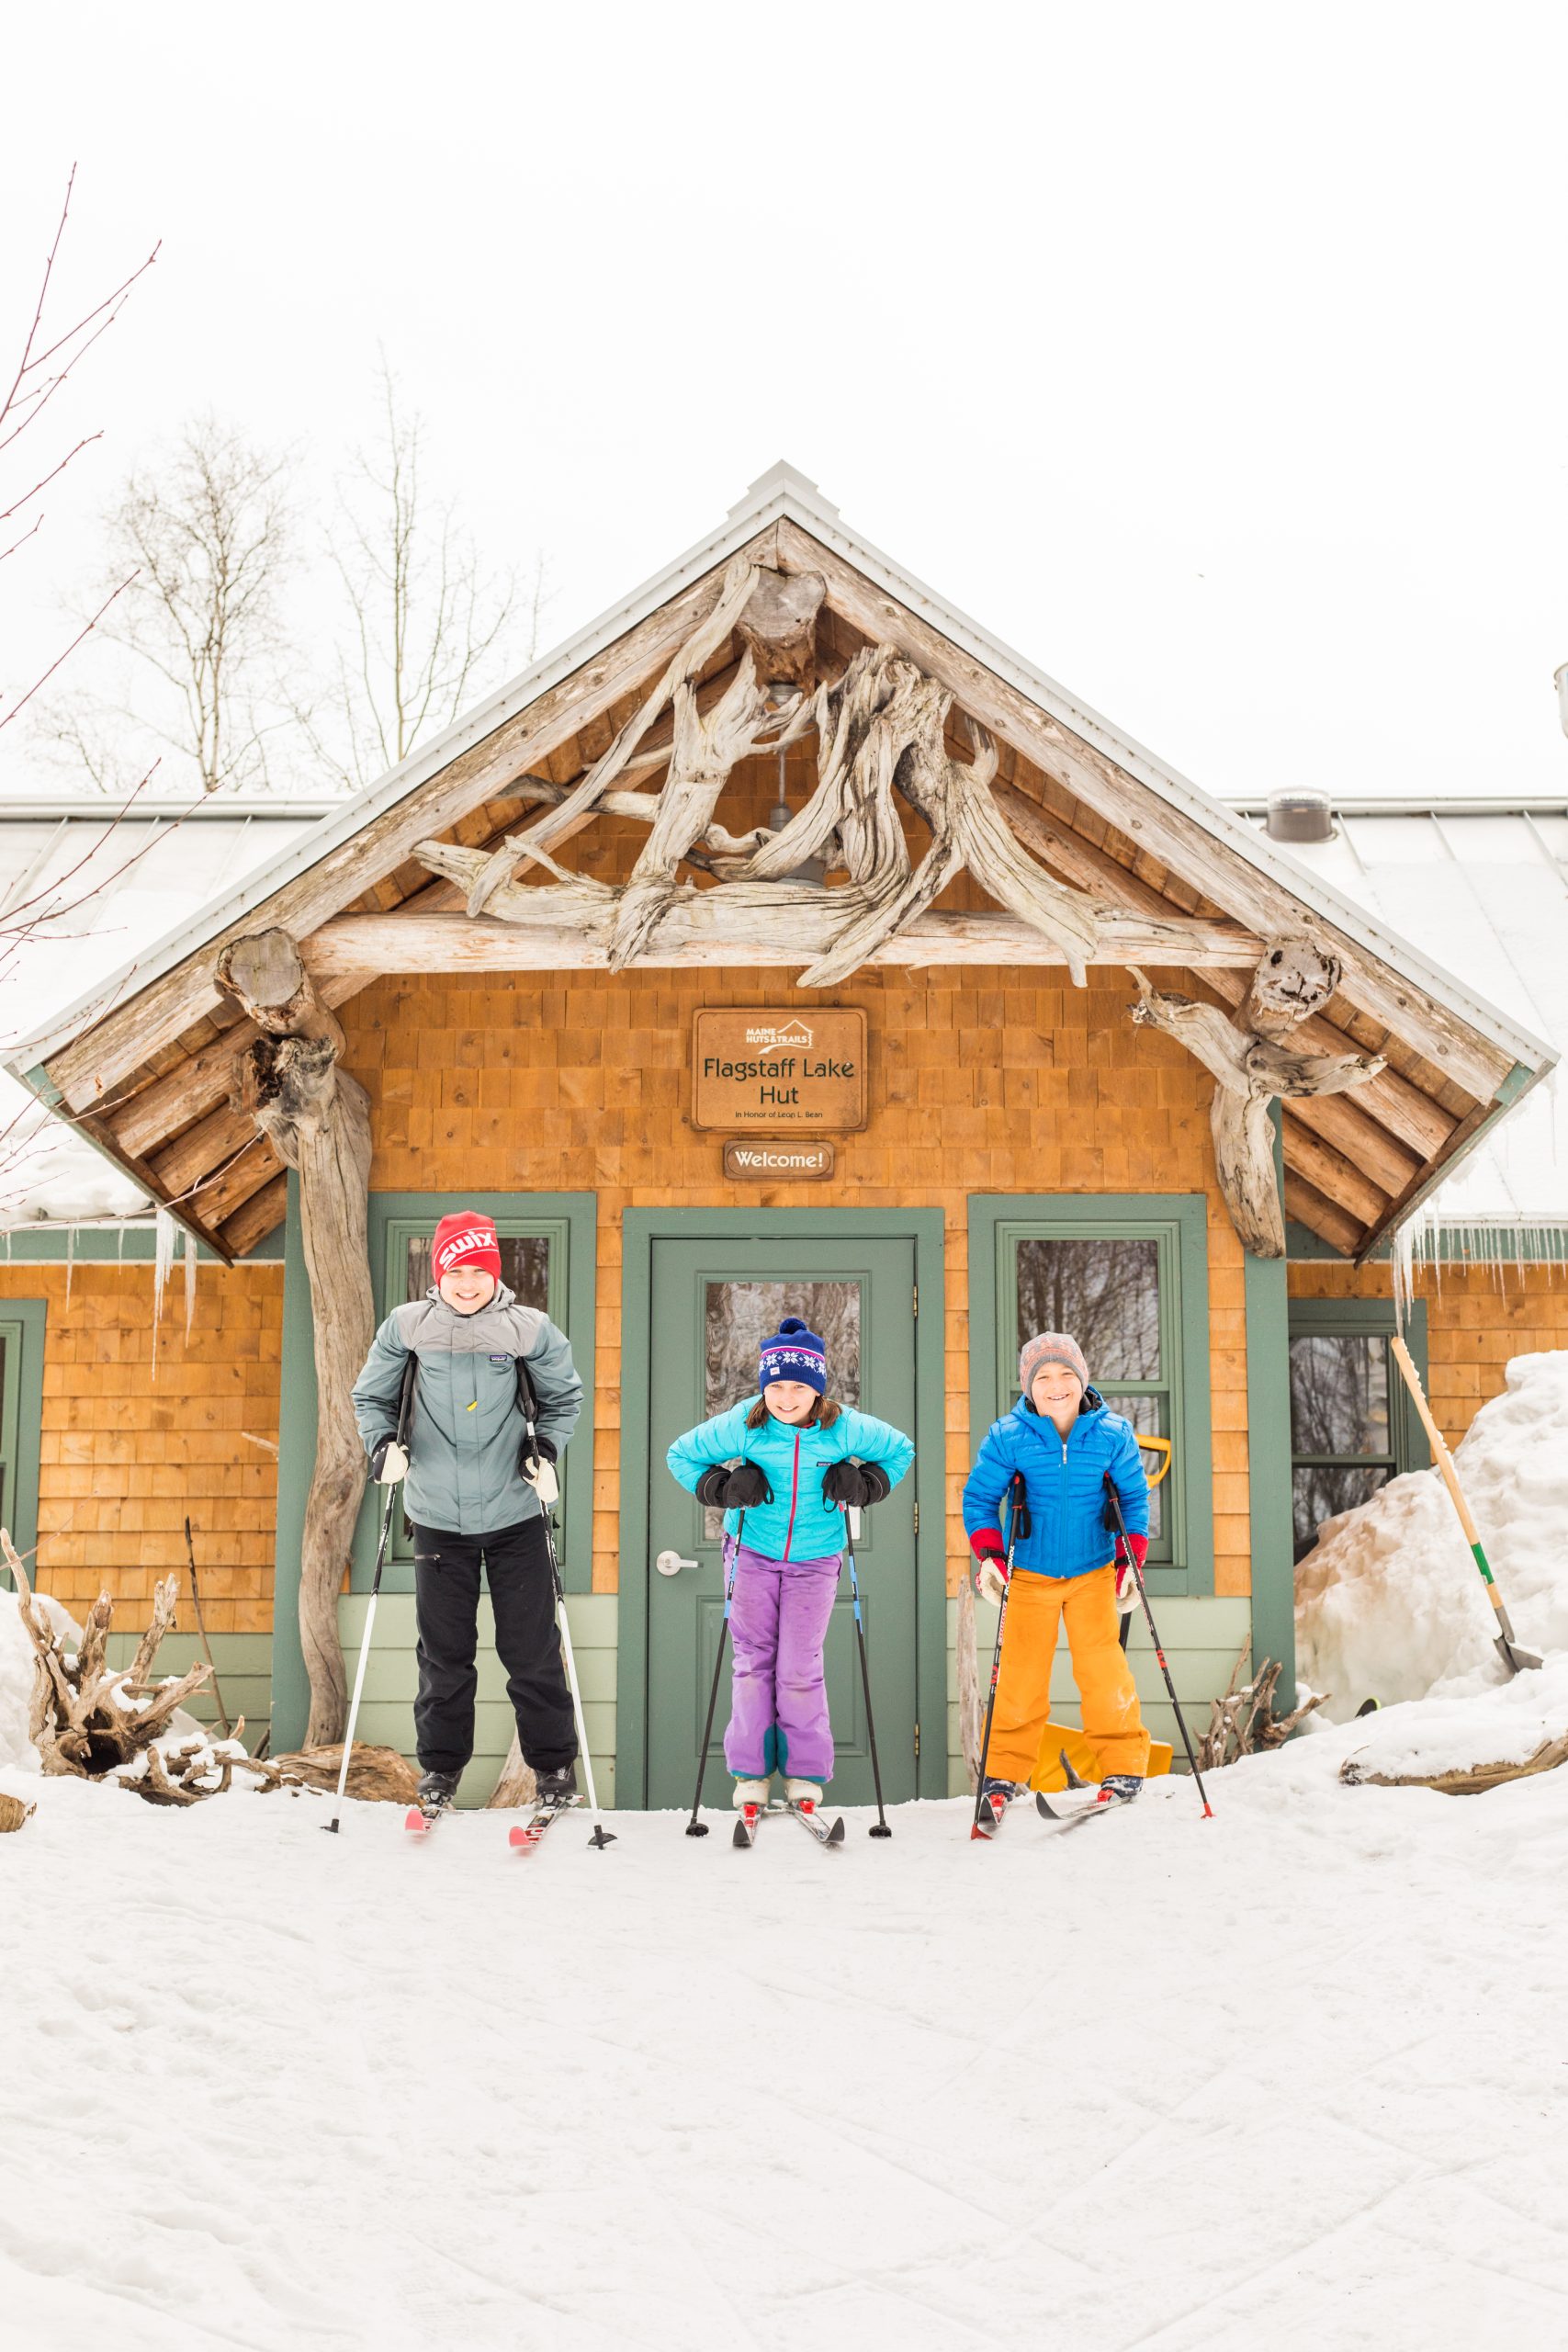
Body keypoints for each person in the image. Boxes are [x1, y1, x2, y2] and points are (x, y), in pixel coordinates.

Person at [352, 1210, 584, 1813]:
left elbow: (561, 1399)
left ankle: (554, 1771)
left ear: (494, 1273)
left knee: (531, 1651)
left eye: (477, 1270)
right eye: (455, 1270)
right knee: (444, 1655)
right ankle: (440, 1774)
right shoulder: (407, 1326)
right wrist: (383, 1448)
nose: (466, 1283)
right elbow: (372, 1396)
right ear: (438, 1273)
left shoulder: (529, 1329)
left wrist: (544, 1448)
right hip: (437, 1517)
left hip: (515, 1517)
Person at [666, 1316, 914, 1811]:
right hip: (751, 1554)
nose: (785, 1397)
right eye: (776, 1386)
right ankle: (750, 1774)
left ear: (817, 1390)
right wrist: (722, 1486)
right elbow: (681, 1455)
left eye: (798, 1386)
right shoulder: (745, 1423)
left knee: (800, 1666)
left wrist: (865, 1485)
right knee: (753, 1663)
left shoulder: (844, 1427)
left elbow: (900, 1451)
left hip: (816, 1560)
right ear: (764, 1388)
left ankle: (804, 1775)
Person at [963, 1330, 1152, 1823]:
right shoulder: (1008, 1435)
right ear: (1029, 1386)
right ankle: (1004, 1771)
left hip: (1092, 1572)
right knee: (1020, 1677)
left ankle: (1123, 1766)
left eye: (1067, 1373)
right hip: (1028, 1574)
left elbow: (1133, 1500)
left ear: (1083, 1379)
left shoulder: (1113, 1434)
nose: (1056, 1384)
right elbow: (980, 1500)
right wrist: (989, 1557)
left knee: (1103, 1671)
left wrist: (1130, 1561)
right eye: (1043, 1376)